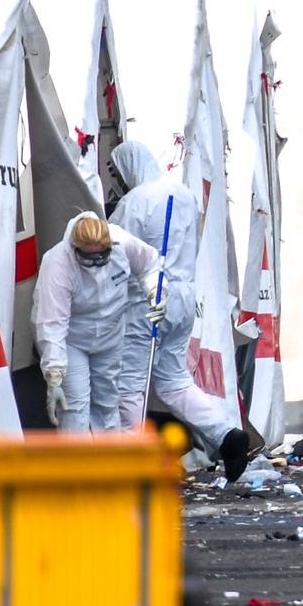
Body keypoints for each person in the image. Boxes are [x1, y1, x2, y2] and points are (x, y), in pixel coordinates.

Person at [110, 140, 253, 481]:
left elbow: (115, 249)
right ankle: (227, 434)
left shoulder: (134, 202)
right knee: (174, 381)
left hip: (147, 300)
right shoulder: (185, 196)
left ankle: (130, 462)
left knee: (130, 383)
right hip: (184, 297)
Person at [33, 212, 167, 433]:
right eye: (87, 258)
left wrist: (156, 291)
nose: (95, 264)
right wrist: (54, 374)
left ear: (110, 246)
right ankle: (78, 465)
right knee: (74, 406)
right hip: (72, 339)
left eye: (101, 257)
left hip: (110, 336)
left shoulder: (123, 244)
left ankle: (109, 461)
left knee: (107, 403)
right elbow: (52, 324)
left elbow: (151, 265)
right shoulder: (57, 263)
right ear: (75, 248)